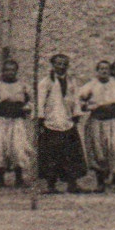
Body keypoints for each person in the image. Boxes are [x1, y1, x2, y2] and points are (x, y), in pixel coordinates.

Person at [78, 60, 115, 193]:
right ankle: (101, 182)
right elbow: (80, 101)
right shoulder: (90, 86)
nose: (104, 71)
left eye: (106, 69)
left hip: (113, 122)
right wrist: (92, 106)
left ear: (110, 71)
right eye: (101, 69)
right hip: (96, 122)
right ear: (97, 71)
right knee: (99, 152)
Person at [35, 53, 86, 193]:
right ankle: (51, 185)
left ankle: (72, 183)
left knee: (71, 154)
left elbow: (75, 99)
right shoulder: (46, 82)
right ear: (53, 65)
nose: (61, 66)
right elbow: (40, 101)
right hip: (51, 121)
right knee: (51, 154)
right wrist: (40, 118)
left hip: (67, 121)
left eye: (64, 64)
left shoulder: (71, 82)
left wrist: (76, 114)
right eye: (58, 63)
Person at [0, 58, 33, 188]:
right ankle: (0, 178)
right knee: (1, 148)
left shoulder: (23, 86)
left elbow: (31, 101)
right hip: (2, 120)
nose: (9, 73)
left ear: (16, 71)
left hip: (17, 120)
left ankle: (19, 178)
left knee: (17, 148)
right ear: (3, 72)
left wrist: (26, 108)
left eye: (12, 70)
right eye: (7, 70)